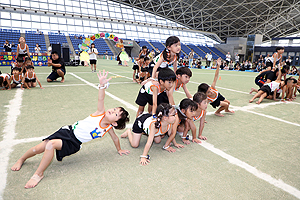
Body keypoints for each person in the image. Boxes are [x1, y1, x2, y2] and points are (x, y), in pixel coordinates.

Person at [10, 70, 130, 188]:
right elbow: (101, 99)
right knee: (39, 148)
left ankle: (38, 174)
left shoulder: (108, 128)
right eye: (114, 109)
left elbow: (115, 138)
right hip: (67, 131)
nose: (112, 110)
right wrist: (102, 86)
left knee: (50, 145)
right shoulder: (100, 113)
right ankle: (22, 159)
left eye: (115, 113)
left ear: (114, 123)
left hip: (74, 143)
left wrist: (119, 149)